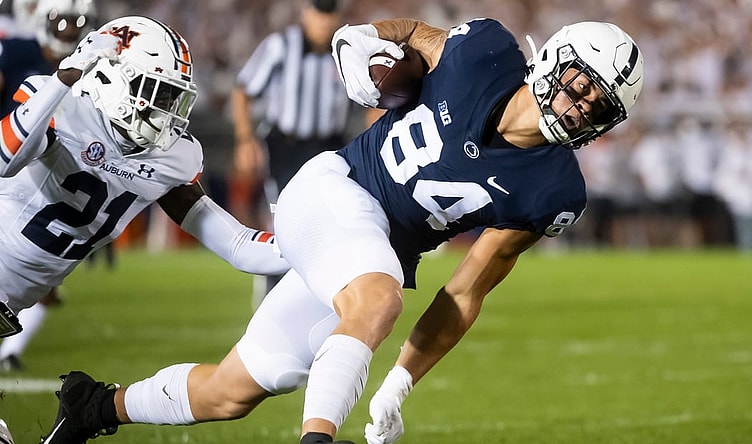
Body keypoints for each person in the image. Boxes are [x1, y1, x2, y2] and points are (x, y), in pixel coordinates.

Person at [41, 16, 644, 444]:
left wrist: (400, 382)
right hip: (336, 190)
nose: (581, 105)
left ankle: (94, 406)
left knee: (232, 392)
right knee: (378, 297)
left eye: (601, 105)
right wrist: (360, 39)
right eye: (582, 83)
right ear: (552, 59)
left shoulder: (555, 192)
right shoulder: (485, 49)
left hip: (363, 253)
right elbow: (409, 34)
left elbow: (464, 292)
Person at [0, 15, 290, 340]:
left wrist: (315, 248)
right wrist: (64, 79)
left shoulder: (170, 158)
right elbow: (4, 161)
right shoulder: (63, 109)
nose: (167, 109)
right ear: (112, 78)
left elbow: (238, 245)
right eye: (158, 91)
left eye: (171, 97)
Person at [231, 0, 357, 305]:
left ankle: (319, 294)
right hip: (285, 144)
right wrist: (245, 139)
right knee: (282, 218)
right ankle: (270, 289)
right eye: (319, 14)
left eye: (330, 15)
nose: (325, 23)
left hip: (328, 144)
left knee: (330, 219)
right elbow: (243, 89)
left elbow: (369, 102)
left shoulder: (346, 51)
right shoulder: (280, 46)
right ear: (306, 13)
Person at [0, 0, 98, 372]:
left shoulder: (92, 68)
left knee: (42, 286)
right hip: (8, 161)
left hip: (43, 178)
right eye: (62, 22)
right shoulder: (17, 51)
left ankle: (8, 353)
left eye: (77, 24)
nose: (70, 31)